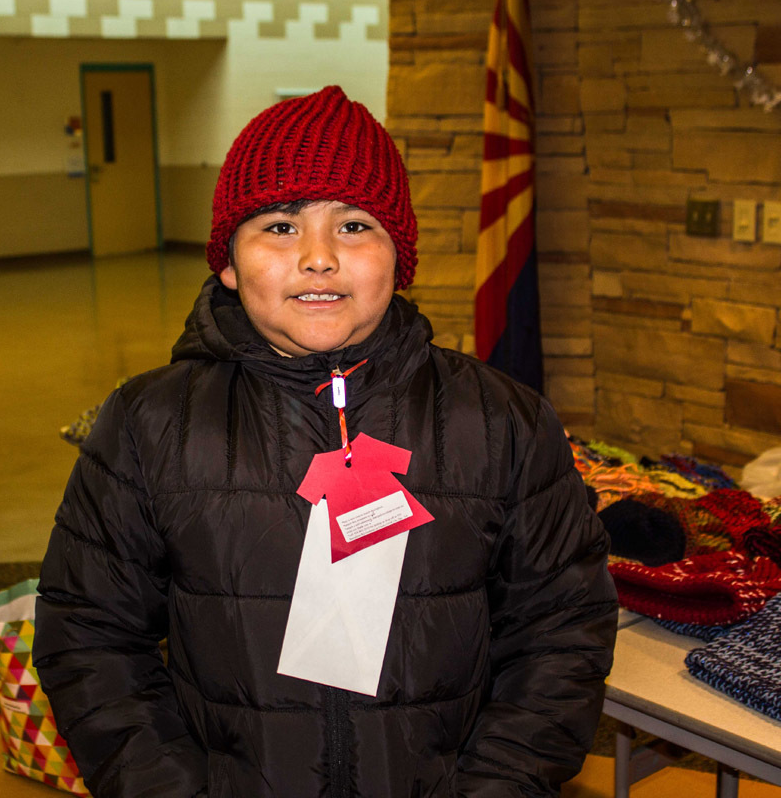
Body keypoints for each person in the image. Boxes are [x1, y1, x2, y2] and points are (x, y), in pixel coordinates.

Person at [34, 86, 617, 797]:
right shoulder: (149, 423)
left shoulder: (503, 422)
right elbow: (89, 638)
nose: (318, 257)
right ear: (227, 261)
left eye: (354, 225)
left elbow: (562, 631)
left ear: (400, 258)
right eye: (280, 226)